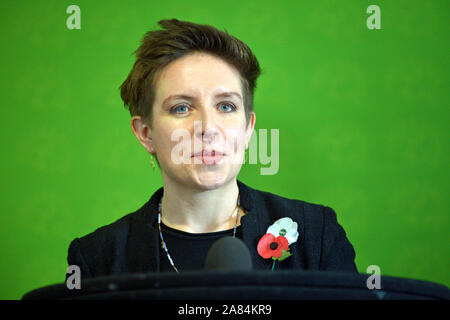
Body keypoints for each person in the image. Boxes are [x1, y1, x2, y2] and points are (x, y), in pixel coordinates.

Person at [66, 19, 357, 278]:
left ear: (247, 129)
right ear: (146, 133)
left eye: (226, 106)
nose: (207, 127)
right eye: (181, 108)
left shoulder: (316, 233)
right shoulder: (96, 258)